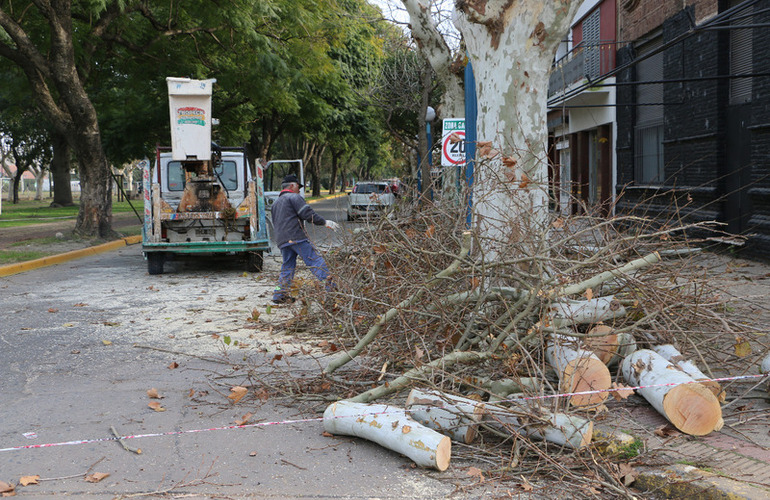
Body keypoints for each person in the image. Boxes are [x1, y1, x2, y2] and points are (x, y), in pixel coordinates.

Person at [270, 174, 339, 304]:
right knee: (314, 260)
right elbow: (307, 214)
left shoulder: (276, 203)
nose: (299, 190)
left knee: (287, 267)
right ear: (292, 186)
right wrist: (325, 222)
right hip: (296, 237)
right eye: (298, 187)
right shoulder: (294, 197)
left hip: (282, 240)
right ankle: (332, 288)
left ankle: (279, 294)